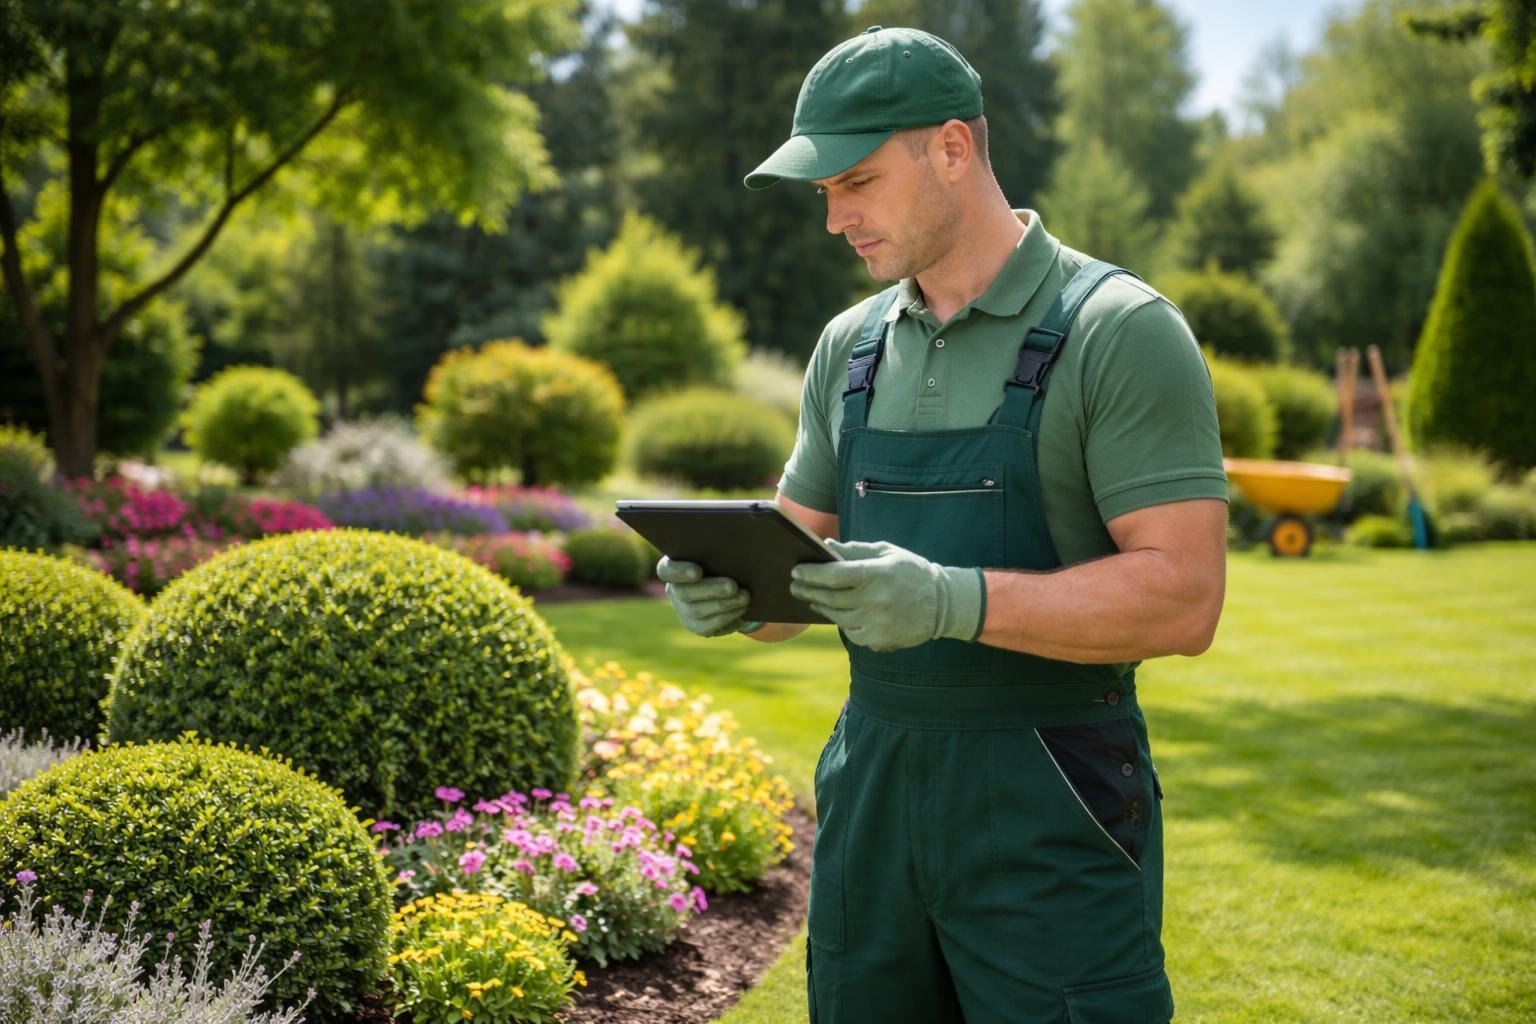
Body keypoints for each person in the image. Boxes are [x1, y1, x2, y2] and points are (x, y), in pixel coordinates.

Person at [656, 24, 1227, 1024]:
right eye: (824, 192)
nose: (836, 220)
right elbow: (794, 573)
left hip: (1051, 806)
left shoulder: (1119, 331)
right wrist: (739, 593)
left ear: (953, 151)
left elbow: (1183, 596)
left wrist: (948, 600)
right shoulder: (851, 348)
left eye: (858, 182)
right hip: (872, 799)